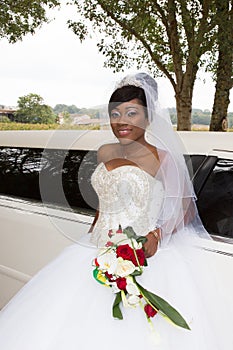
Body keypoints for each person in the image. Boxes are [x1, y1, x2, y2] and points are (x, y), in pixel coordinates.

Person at [0, 72, 232, 349]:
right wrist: (91, 236)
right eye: (115, 113)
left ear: (148, 118)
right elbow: (104, 200)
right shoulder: (105, 152)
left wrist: (157, 234)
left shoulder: (164, 159)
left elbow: (186, 211)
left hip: (141, 253)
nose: (121, 121)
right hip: (95, 248)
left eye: (131, 113)